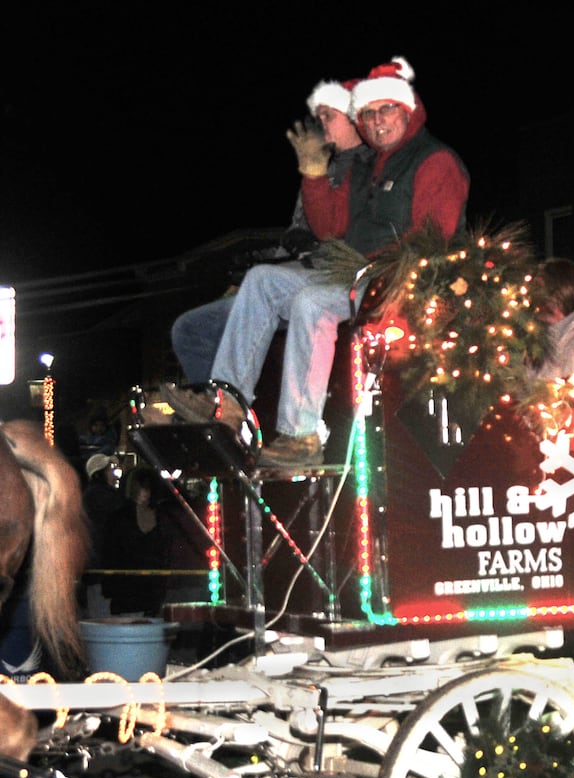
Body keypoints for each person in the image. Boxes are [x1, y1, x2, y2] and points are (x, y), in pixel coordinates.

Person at [166, 56, 469, 468]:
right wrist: (312, 173)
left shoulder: (434, 161)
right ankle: (228, 403)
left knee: (311, 302)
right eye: (370, 113)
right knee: (261, 279)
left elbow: (434, 240)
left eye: (388, 110)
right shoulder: (369, 169)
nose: (379, 121)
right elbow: (330, 229)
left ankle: (301, 435)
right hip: (354, 272)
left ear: (408, 110)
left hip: (398, 280)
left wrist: (374, 270)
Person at [168, 78, 365, 385]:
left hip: (326, 282)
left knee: (262, 288)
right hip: (290, 275)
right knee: (189, 327)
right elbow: (296, 231)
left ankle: (226, 405)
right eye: (319, 116)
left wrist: (301, 249)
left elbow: (337, 235)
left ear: (353, 117)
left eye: (329, 115)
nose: (320, 124)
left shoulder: (368, 167)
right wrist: (247, 279)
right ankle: (212, 410)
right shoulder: (324, 166)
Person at [101, 467, 171, 616]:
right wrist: (110, 588)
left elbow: (167, 554)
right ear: (132, 489)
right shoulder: (118, 518)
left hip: (154, 596)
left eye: (148, 488)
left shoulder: (163, 517)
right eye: (140, 488)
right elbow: (109, 555)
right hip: (126, 595)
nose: (145, 493)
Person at [81, 452, 123, 618]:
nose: (113, 473)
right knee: (102, 617)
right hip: (103, 567)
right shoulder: (104, 497)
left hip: (95, 567)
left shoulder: (89, 495)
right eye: (109, 469)